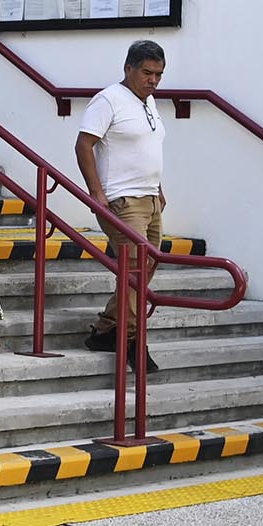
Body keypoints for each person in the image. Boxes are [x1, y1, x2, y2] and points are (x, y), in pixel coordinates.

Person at [74, 41, 168, 373]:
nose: (153, 80)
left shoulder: (149, 102)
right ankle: (131, 343)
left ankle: (106, 330)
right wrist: (96, 192)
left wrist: (158, 188)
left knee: (141, 274)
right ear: (128, 68)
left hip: (150, 200)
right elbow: (85, 144)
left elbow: (145, 147)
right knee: (137, 271)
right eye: (147, 73)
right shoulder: (108, 99)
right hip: (122, 202)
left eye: (158, 74)